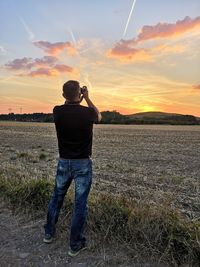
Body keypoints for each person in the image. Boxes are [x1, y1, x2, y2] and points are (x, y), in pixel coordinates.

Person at [43, 80, 102, 257]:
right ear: (80, 94)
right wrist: (88, 98)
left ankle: (48, 233)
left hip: (64, 162)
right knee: (80, 204)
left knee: (56, 198)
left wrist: (74, 98)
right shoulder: (88, 112)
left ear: (63, 96)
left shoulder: (57, 111)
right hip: (82, 164)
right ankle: (75, 244)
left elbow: (68, 104)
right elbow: (99, 117)